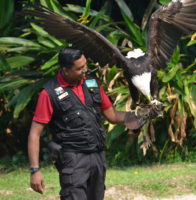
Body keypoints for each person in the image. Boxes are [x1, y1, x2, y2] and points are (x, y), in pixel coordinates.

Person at [28, 48, 147, 200]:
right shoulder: (49, 93)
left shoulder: (92, 83)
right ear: (65, 70)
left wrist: (140, 116)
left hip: (97, 156)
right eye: (79, 68)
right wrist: (35, 170)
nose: (85, 70)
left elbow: (113, 115)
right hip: (73, 159)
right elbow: (34, 133)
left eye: (85, 65)